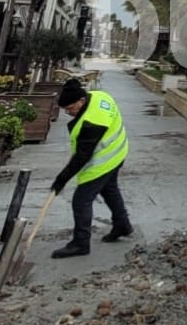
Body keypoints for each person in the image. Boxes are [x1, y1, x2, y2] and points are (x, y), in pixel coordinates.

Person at [50, 79, 132, 258]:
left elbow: (82, 156)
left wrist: (61, 179)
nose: (68, 112)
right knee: (109, 189)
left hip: (105, 159)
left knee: (81, 200)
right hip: (119, 150)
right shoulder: (99, 96)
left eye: (70, 108)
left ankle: (80, 243)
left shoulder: (92, 121)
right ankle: (122, 225)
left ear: (81, 101)